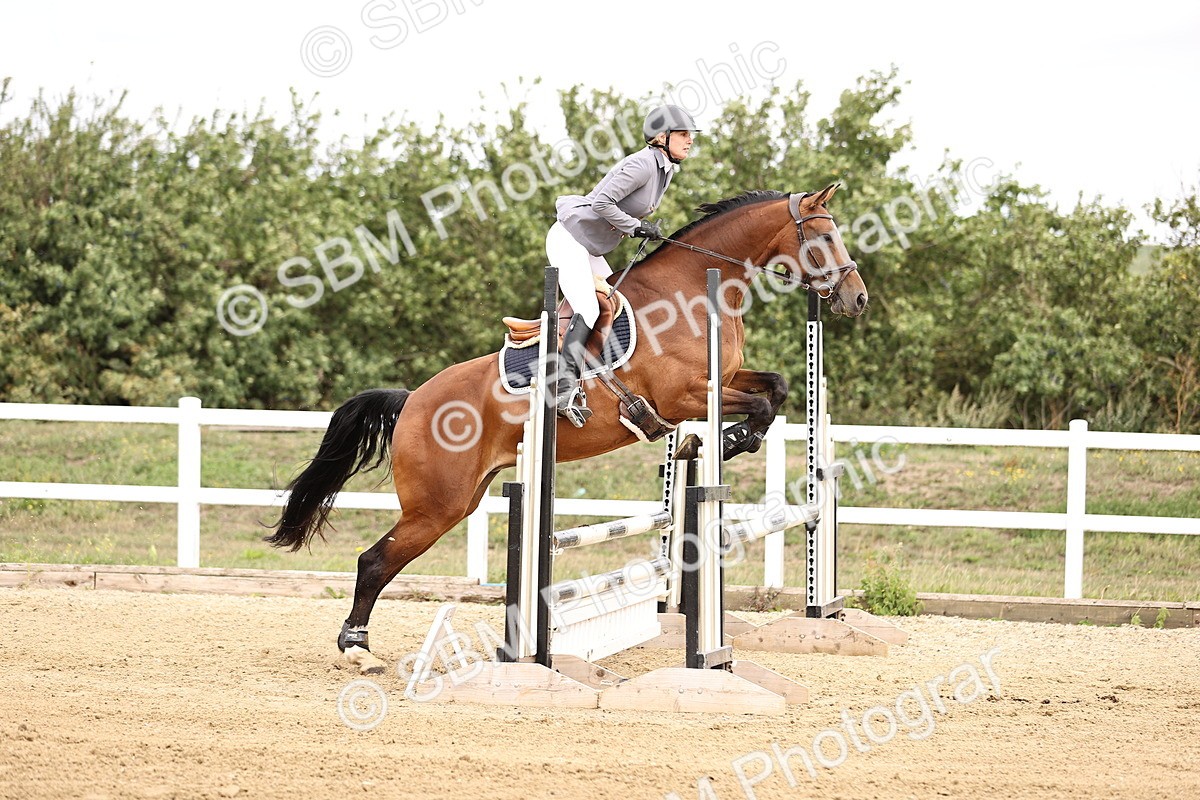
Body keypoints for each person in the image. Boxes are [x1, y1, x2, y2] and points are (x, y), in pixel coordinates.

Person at [547, 104, 699, 426]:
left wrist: (640, 227)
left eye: (689, 136)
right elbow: (602, 202)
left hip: (586, 246)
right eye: (683, 135)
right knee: (588, 310)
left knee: (617, 303)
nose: (689, 141)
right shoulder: (643, 165)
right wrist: (635, 227)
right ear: (661, 137)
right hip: (570, 239)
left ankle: (600, 376)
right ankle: (561, 391)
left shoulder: (663, 169)